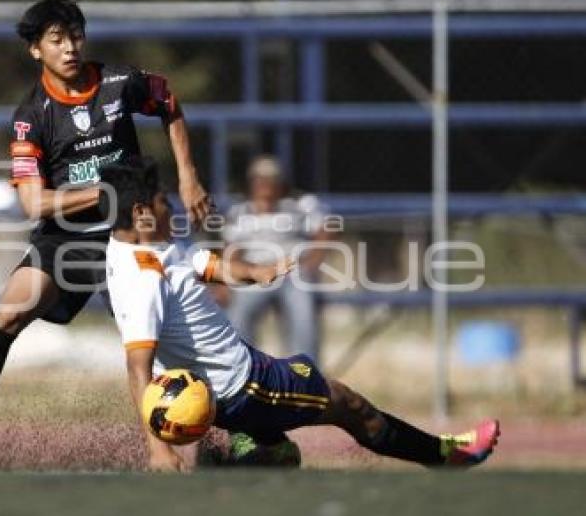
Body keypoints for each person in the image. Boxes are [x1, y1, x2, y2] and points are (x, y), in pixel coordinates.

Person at [0, 0, 212, 466]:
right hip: (65, 234)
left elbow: (168, 101)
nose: (70, 48)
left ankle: (243, 430)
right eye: (57, 39)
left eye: (75, 36)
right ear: (35, 50)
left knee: (171, 334)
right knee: (9, 312)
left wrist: (189, 176)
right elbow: (34, 202)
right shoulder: (31, 117)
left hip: (130, 231)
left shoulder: (119, 83)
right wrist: (106, 190)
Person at [102, 159, 499, 472]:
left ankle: (255, 458)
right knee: (349, 404)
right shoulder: (142, 281)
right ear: (140, 213)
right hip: (245, 386)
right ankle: (446, 456)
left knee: (275, 450)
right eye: (163, 202)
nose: (172, 209)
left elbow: (202, 263)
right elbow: (139, 368)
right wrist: (159, 449)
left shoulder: (147, 243)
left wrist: (256, 272)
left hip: (238, 373)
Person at [223, 155, 330, 361]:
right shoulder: (240, 211)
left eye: (271, 179)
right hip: (255, 272)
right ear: (251, 182)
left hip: (292, 271)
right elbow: (232, 249)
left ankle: (306, 375)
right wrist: (228, 278)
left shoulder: (299, 205)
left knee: (303, 316)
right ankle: (244, 370)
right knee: (238, 316)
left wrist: (312, 263)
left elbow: (324, 229)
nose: (265, 185)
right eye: (260, 179)